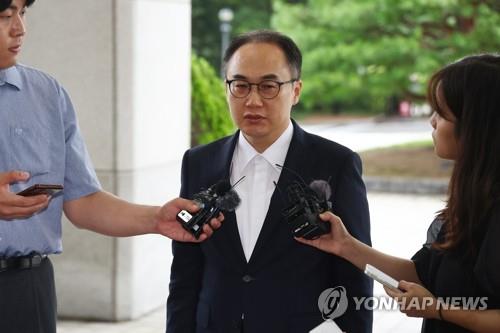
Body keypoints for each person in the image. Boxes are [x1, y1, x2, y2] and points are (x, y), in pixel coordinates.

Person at [0, 1, 222, 332]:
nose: (20, 28)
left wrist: (156, 219)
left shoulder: (46, 95)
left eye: (23, 12)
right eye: (5, 16)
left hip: (27, 290)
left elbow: (82, 201)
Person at [166, 30, 373, 333]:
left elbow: (355, 272)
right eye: (240, 85)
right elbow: (185, 273)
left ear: (296, 90)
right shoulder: (199, 163)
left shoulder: (336, 164)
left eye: (268, 86)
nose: (252, 100)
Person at [297, 54, 500, 332]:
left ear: (476, 127)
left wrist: (440, 310)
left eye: (441, 113)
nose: (432, 122)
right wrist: (345, 245)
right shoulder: (473, 201)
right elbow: (421, 275)